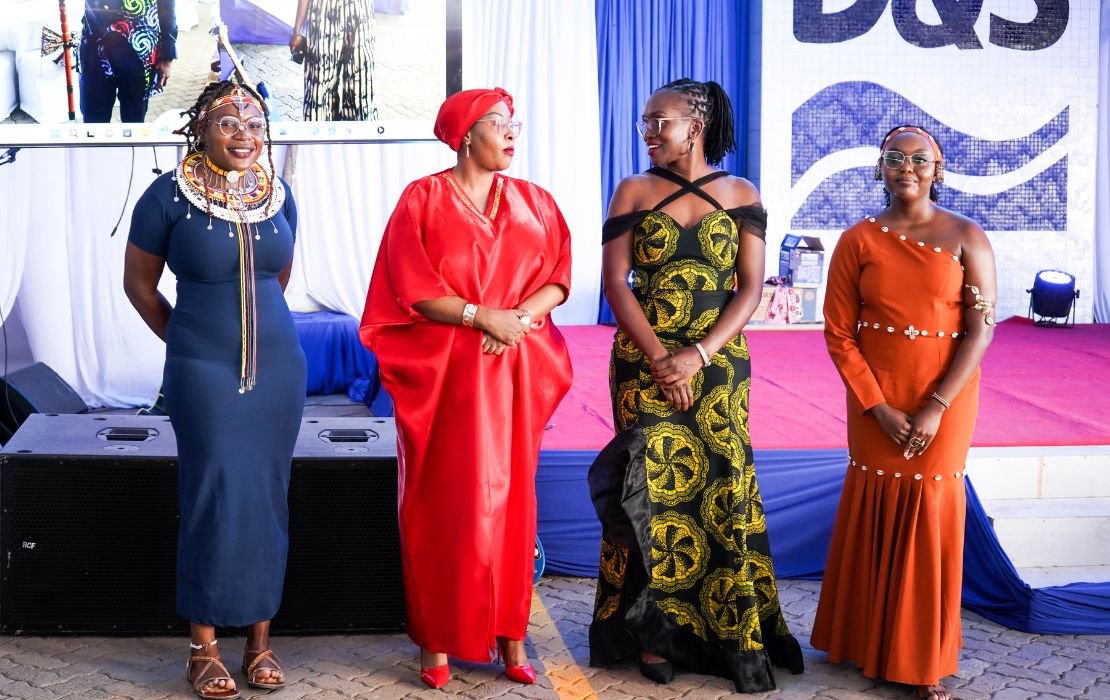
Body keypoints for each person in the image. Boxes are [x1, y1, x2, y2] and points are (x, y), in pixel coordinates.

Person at [589, 78, 804, 692]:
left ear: (696, 125)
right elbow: (615, 284)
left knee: (719, 487)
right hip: (644, 361)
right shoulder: (633, 189)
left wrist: (699, 355)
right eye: (645, 123)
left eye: (660, 121)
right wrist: (662, 359)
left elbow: (750, 288)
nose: (649, 133)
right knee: (648, 491)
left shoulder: (741, 192)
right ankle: (651, 638)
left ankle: (728, 631)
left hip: (718, 365)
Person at [359, 87, 573, 690]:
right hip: (449, 372)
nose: (511, 133)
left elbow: (559, 276)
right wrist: (483, 317)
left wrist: (516, 321)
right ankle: (437, 640)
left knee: (512, 503)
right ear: (465, 135)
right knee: (445, 502)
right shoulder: (422, 199)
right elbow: (410, 287)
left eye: (513, 124)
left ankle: (511, 635)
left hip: (513, 369)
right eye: (498, 124)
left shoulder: (535, 201)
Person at [124, 80, 304, 699]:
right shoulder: (167, 195)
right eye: (229, 123)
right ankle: (203, 647)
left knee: (267, 495)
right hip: (202, 370)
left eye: (254, 125)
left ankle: (259, 642)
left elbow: (279, 276)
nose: (244, 135)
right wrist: (190, 342)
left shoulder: (279, 194)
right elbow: (139, 286)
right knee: (211, 494)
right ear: (200, 129)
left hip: (278, 369)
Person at [810, 125, 997, 700]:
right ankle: (866, 642)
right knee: (876, 502)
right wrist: (876, 406)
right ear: (880, 167)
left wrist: (937, 406)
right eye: (895, 158)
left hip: (946, 398)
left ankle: (923, 662)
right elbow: (839, 334)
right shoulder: (856, 240)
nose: (907, 167)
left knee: (931, 512)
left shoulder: (967, 236)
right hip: (876, 399)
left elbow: (980, 330)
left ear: (938, 169)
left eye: (919, 159)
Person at [79, 0, 177, 123]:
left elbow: (167, 9)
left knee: (134, 121)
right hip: (95, 49)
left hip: (139, 54)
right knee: (94, 122)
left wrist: (167, 56)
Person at [288, 0, 377, 121]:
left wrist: (297, 32)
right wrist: (296, 32)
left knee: (360, 86)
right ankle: (319, 132)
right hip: (326, 14)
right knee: (320, 87)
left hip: (356, 13)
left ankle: (360, 132)